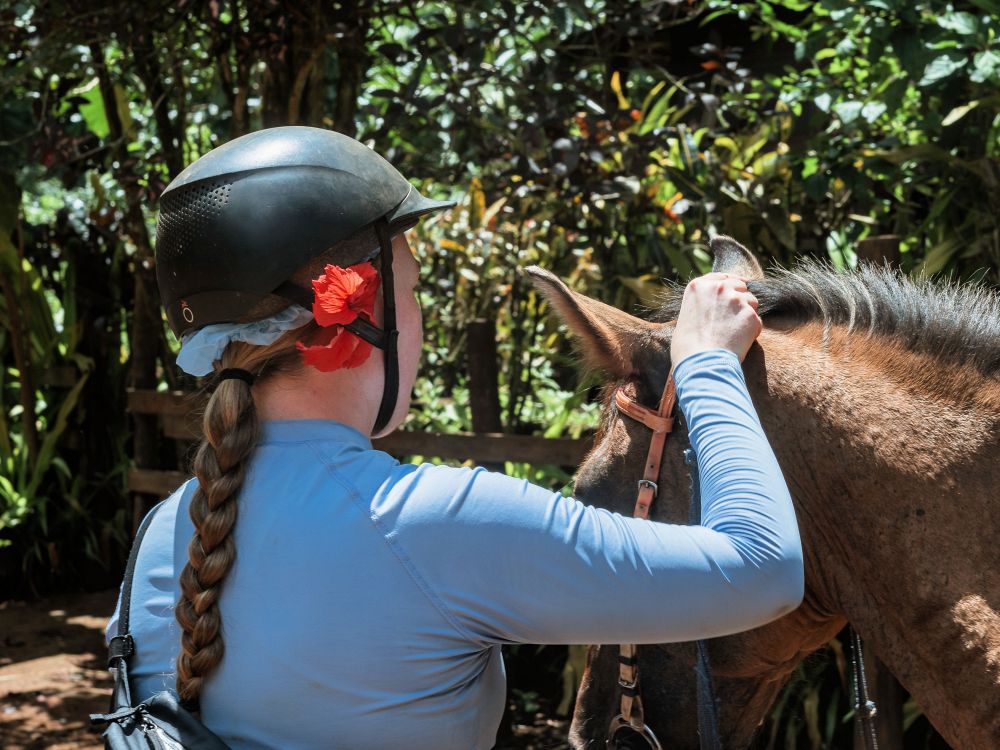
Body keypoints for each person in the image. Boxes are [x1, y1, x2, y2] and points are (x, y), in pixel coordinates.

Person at [106, 126, 802, 750]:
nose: (420, 322)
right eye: (410, 296)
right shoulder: (435, 523)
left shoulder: (168, 535)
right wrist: (706, 360)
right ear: (350, 324)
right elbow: (763, 569)